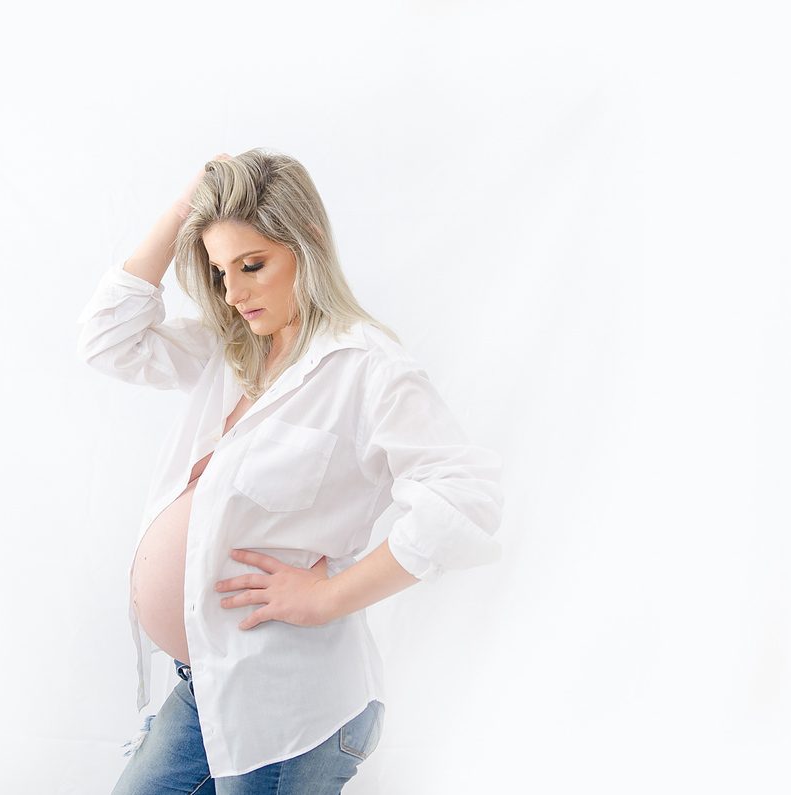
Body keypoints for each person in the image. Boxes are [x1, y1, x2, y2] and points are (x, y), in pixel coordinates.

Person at [78, 149, 503, 793]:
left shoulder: (368, 369)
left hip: (291, 709)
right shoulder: (235, 348)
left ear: (308, 247)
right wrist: (181, 212)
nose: (234, 293)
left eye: (252, 266)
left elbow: (467, 503)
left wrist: (330, 594)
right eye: (220, 272)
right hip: (205, 689)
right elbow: (109, 340)